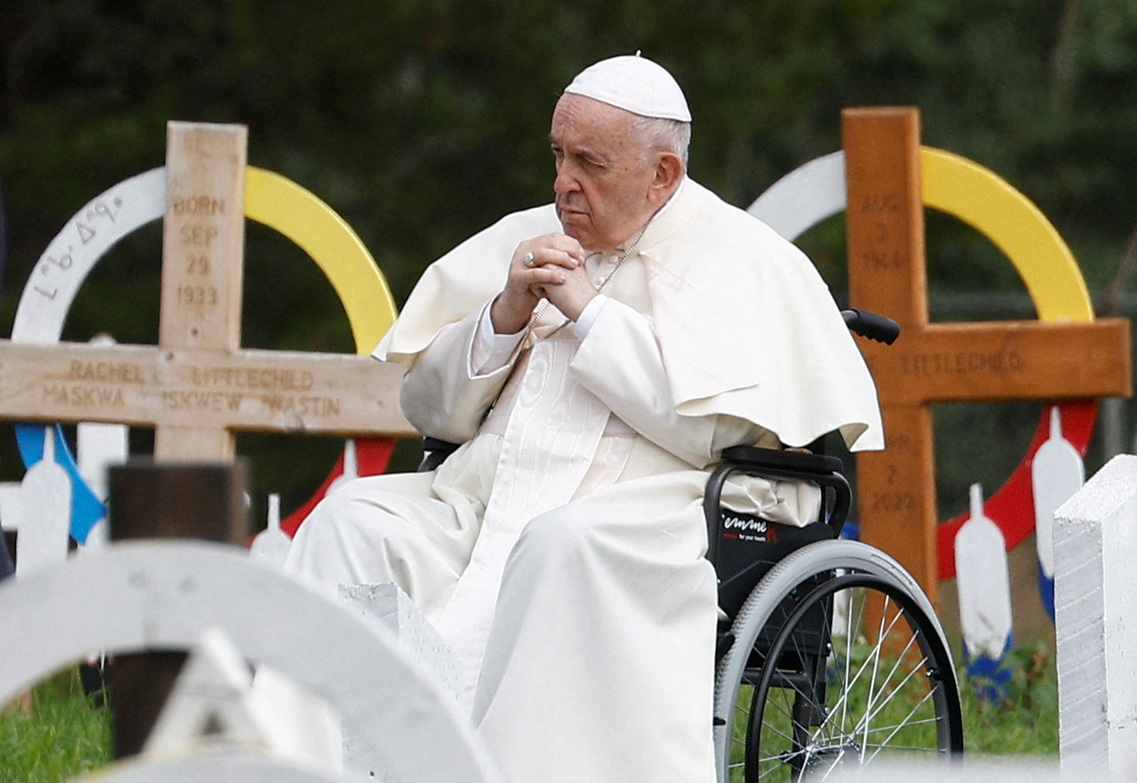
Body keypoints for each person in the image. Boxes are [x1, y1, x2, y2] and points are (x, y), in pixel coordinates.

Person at [286, 54, 883, 783]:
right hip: (479, 501)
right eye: (557, 155)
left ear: (661, 174)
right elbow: (429, 411)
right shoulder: (526, 234)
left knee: (557, 544)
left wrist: (589, 314)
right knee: (348, 521)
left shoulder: (746, 259)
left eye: (588, 163)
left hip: (651, 513)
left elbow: (708, 431)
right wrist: (502, 316)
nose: (561, 183)